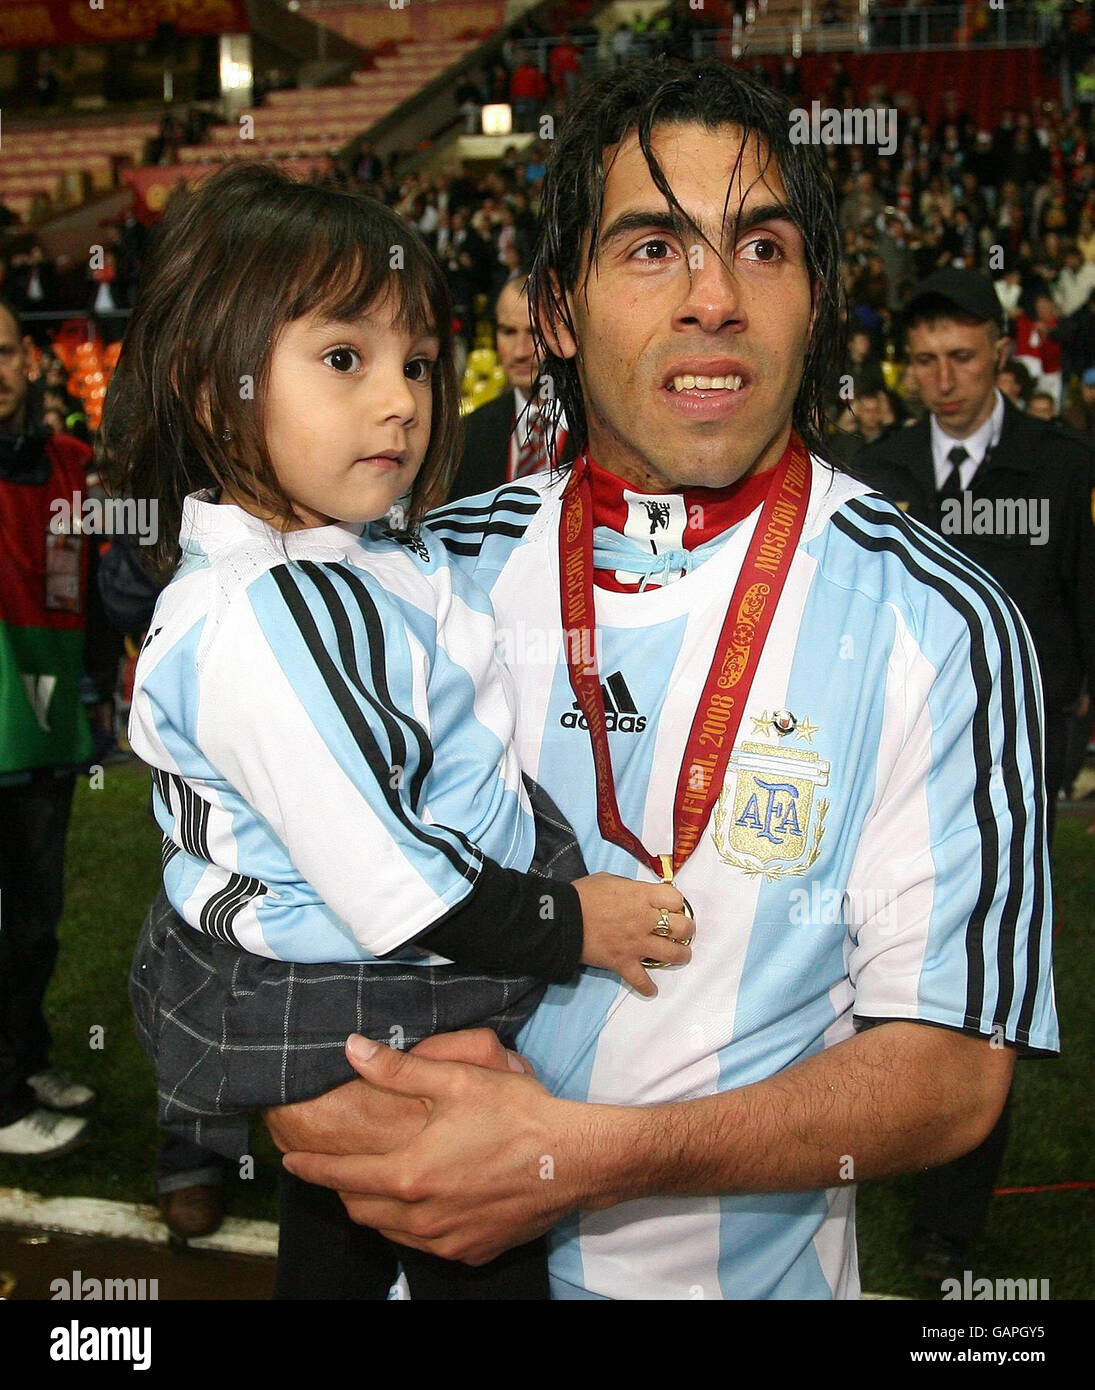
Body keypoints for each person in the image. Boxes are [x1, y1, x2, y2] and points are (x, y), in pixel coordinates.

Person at [268, 60, 1057, 1301]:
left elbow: (953, 1073)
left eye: (762, 246)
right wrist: (304, 1101)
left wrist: (587, 1159)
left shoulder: (942, 623)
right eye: (651, 247)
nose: (714, 299)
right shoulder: (411, 589)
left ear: (815, 303)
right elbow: (250, 925)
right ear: (561, 310)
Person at [102, 163, 689, 1300]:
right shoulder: (262, 612)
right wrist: (577, 922)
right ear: (209, 383)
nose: (402, 400)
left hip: (381, 959)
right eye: (344, 359)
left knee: (367, 1233)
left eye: (417, 362)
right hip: (375, 978)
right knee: (465, 1225)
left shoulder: (348, 550)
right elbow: (396, 886)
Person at [854, 266, 1093, 1278]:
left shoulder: (1061, 465)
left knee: (980, 999)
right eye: (922, 361)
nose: (941, 378)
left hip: (1011, 779)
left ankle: (949, 1230)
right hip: (889, 777)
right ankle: (839, 1165)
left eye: (959, 356)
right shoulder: (880, 468)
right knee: (875, 990)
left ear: (1001, 349)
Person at [0, 299, 97, 1158]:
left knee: (34, 920)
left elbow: (99, 595)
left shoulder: (73, 465)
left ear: (30, 361)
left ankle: (23, 1062)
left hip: (48, 727)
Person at [449, 274, 574, 500]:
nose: (520, 352)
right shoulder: (467, 434)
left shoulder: (605, 432)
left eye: (535, 333)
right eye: (508, 332)